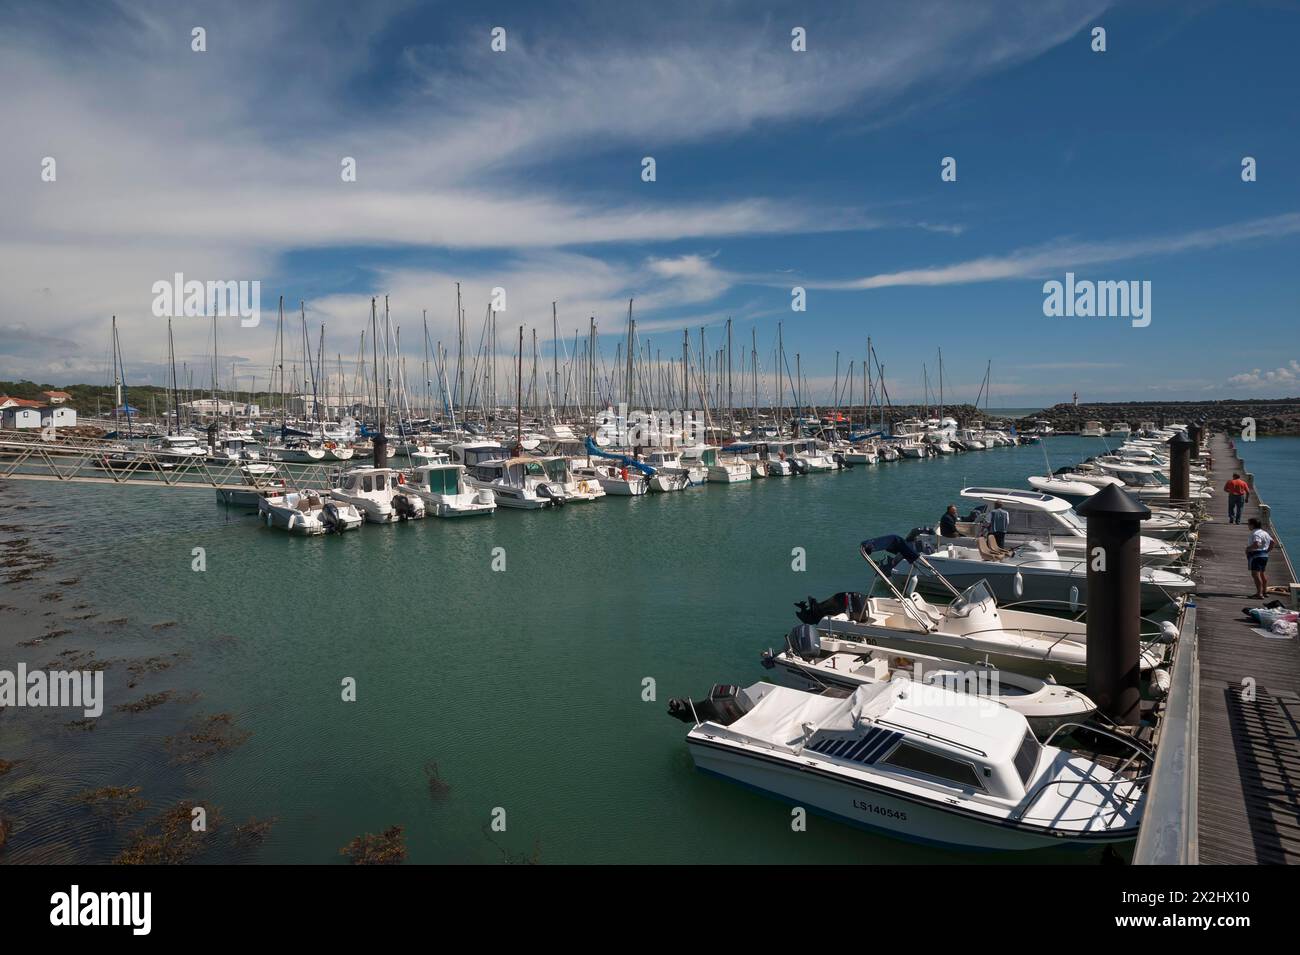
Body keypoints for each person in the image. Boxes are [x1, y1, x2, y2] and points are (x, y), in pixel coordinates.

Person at [1246, 518, 1274, 600]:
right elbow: (1272, 542)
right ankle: (1264, 592)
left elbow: (1257, 544)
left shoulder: (1255, 533)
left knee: (1255, 575)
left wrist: (1248, 548)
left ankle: (1259, 594)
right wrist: (1267, 551)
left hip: (1256, 555)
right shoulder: (1264, 532)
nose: (1248, 526)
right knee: (1262, 573)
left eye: (1248, 524)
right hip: (1264, 555)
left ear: (1252, 525)